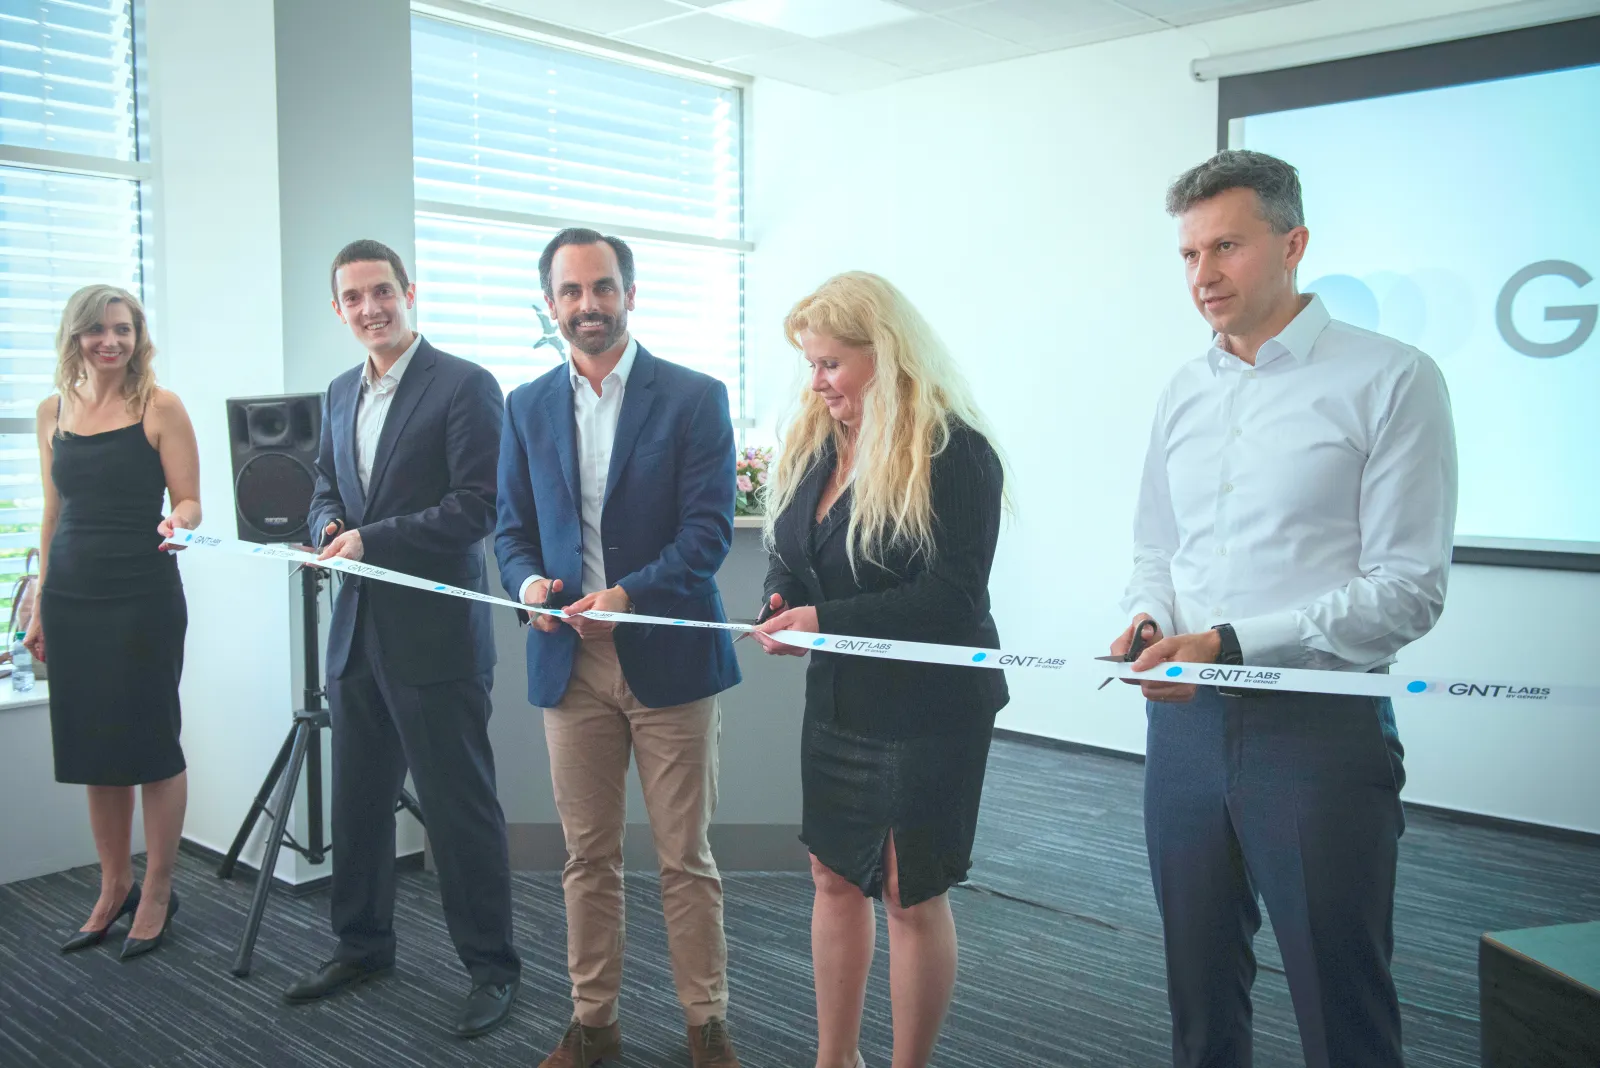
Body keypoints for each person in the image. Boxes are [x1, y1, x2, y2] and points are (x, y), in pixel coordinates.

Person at [1114, 150, 1458, 1068]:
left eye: (1226, 247)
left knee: (1340, 1005)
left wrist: (1228, 642)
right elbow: (1157, 548)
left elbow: (1407, 589)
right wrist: (1149, 618)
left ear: (1294, 244)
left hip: (1318, 731)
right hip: (1184, 731)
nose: (1203, 274)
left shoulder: (1393, 378)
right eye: (1189, 254)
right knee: (1198, 1001)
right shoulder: (1184, 389)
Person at [495, 228, 742, 1068]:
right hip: (569, 664)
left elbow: (707, 534)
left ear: (630, 294)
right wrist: (529, 587)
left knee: (685, 859)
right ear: (551, 303)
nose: (587, 305)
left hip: (668, 655)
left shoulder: (693, 397)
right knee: (587, 857)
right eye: (570, 291)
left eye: (602, 287)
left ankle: (706, 1022)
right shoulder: (525, 405)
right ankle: (593, 1022)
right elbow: (511, 531)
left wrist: (628, 597)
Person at [751, 271, 1009, 1068]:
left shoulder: (954, 451)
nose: (817, 382)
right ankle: (836, 1060)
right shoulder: (817, 443)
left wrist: (825, 623)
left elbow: (952, 597)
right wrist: (782, 598)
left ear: (886, 354)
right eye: (810, 364)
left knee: (908, 894)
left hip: (927, 710)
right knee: (832, 877)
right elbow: (794, 554)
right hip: (840, 700)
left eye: (831, 363)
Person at [284, 239, 520, 1039]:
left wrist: (372, 540)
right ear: (339, 309)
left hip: (436, 639)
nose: (370, 308)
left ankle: (492, 968)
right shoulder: (338, 391)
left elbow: (478, 506)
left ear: (408, 292)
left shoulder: (465, 385)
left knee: (458, 811)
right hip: (355, 633)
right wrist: (327, 525)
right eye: (354, 298)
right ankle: (362, 946)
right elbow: (325, 486)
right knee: (356, 804)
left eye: (382, 291)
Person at [31, 284, 200, 960]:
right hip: (72, 597)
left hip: (141, 595)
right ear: (75, 336)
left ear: (138, 336)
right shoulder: (52, 412)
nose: (111, 341)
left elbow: (190, 500)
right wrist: (41, 602)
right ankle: (113, 886)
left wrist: (180, 521)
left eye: (123, 329)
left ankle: (157, 889)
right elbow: (53, 513)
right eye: (98, 330)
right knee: (96, 751)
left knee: (152, 745)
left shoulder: (160, 406)